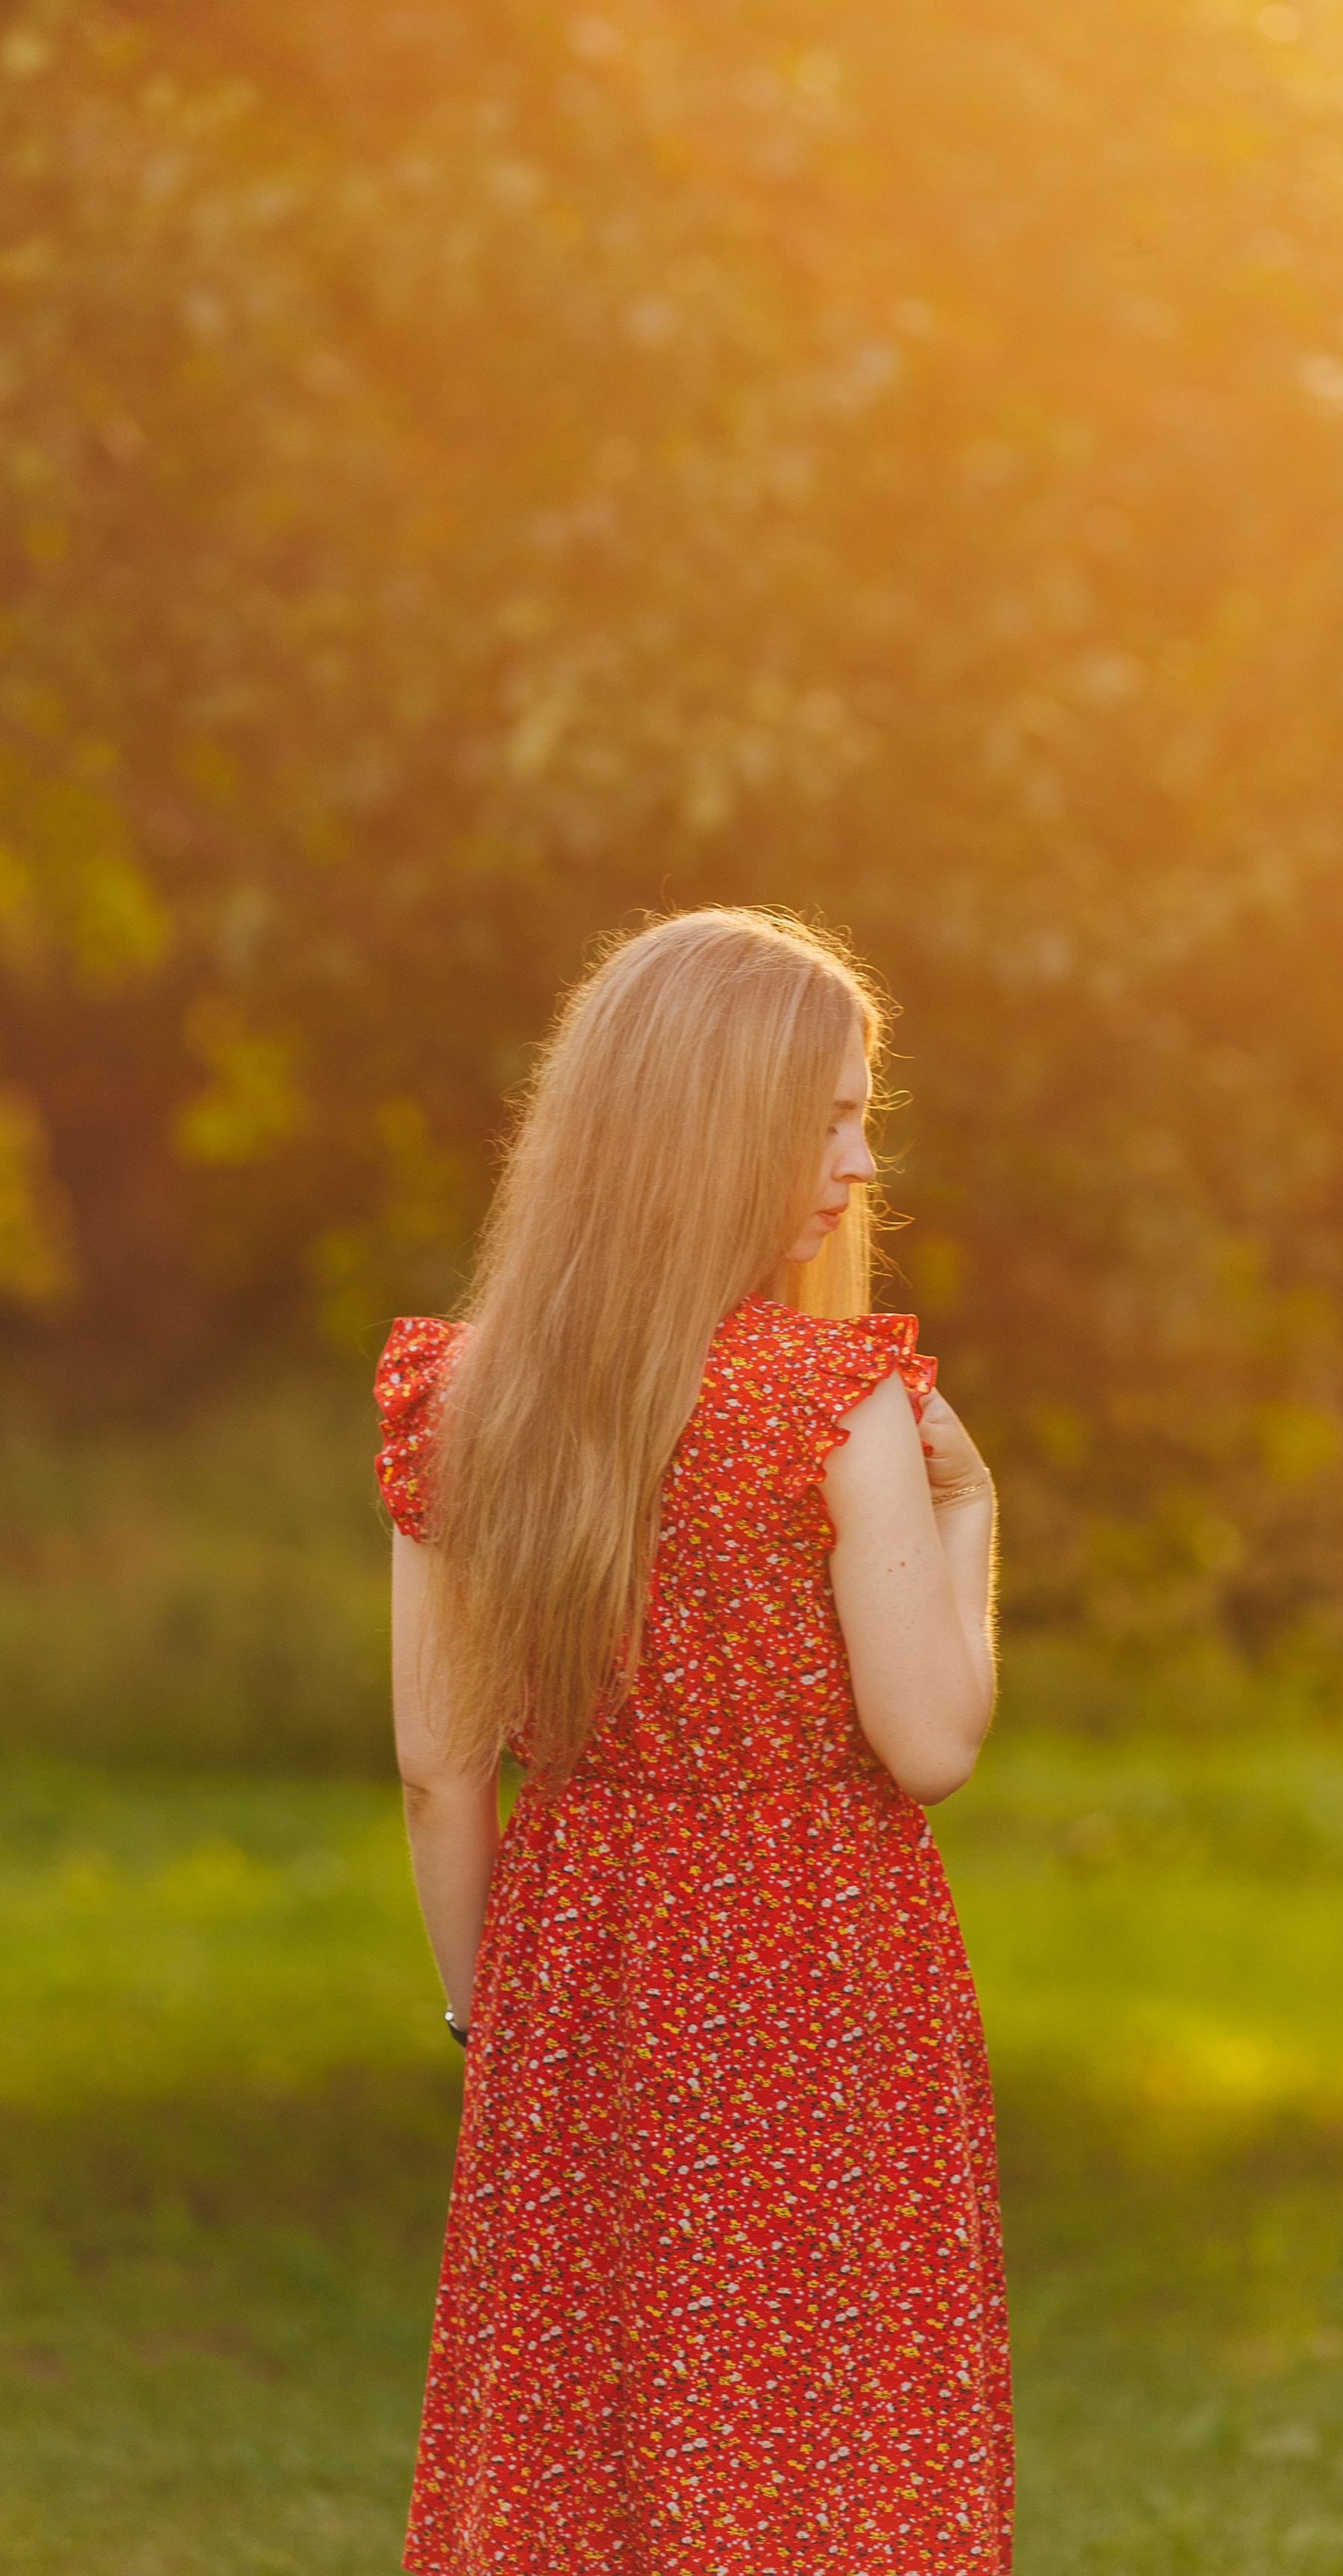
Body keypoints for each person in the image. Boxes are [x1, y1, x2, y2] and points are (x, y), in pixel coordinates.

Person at [373, 905, 1012, 2574]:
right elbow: (930, 1740)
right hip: (820, 1965)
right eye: (829, 1118)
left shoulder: (463, 1397)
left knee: (581, 2440)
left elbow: (442, 1769)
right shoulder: (832, 1400)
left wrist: (484, 2011)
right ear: (711, 1131)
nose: (861, 1164)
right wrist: (970, 1509)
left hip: (578, 1970)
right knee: (827, 2442)